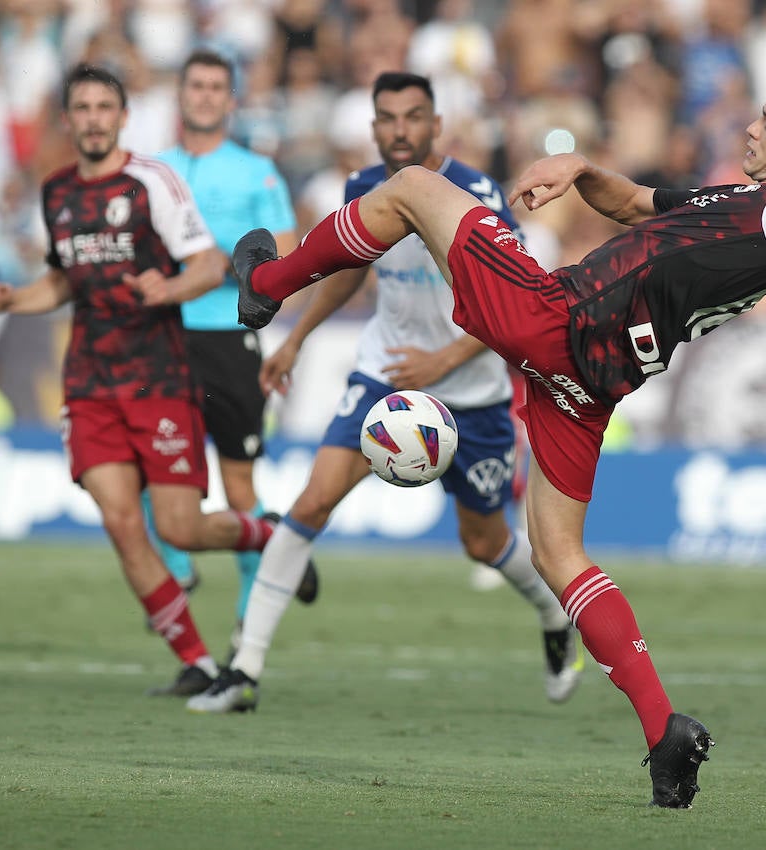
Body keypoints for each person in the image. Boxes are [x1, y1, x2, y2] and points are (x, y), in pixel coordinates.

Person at [227, 72, 766, 808]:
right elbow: (635, 203)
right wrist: (582, 168)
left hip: (559, 321)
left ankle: (264, 285)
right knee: (560, 554)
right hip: (593, 380)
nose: (750, 127)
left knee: (412, 188)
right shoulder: (748, 200)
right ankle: (664, 733)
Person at [187, 71, 584, 714]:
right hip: (386, 379)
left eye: (413, 116)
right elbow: (345, 269)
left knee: (482, 541)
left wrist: (443, 359)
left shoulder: (477, 193)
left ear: (436, 126)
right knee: (312, 501)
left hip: (470, 391)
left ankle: (552, 614)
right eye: (388, 118)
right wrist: (298, 339)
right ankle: (244, 668)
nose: (400, 129)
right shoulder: (362, 189)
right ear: (373, 129)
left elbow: (517, 304)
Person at [0, 64, 286, 697]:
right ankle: (197, 661)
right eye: (81, 107)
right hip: (90, 380)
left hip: (158, 377)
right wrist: (12, 299)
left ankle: (270, 535)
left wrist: (166, 288)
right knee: (122, 523)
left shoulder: (153, 182)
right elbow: (64, 279)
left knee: (180, 528)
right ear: (69, 119)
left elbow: (205, 264)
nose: (92, 117)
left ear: (122, 117)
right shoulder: (57, 191)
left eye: (103, 107)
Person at [151, 49, 317, 640]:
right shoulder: (154, 170)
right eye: (195, 85)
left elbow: (288, 244)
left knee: (238, 482)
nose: (203, 96)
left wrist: (227, 266)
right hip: (164, 337)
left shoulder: (256, 172)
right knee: (147, 465)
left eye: (215, 87)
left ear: (231, 100)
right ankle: (176, 567)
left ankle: (248, 626)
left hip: (229, 337)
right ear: (181, 94)